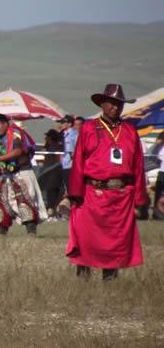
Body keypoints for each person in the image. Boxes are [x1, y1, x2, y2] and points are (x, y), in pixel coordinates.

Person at [66, 84, 147, 281]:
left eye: (119, 104)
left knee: (115, 240)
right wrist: (75, 194)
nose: (115, 107)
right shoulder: (88, 128)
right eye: (111, 103)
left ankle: (110, 280)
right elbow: (78, 162)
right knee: (86, 237)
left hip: (120, 195)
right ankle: (83, 279)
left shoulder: (129, 131)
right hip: (92, 193)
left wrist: (139, 199)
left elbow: (138, 166)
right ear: (102, 103)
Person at [0, 114, 48, 235]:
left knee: (26, 200)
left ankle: (31, 229)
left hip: (22, 172)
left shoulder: (15, 133)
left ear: (6, 124)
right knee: (4, 201)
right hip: (7, 174)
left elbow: (18, 151)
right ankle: (2, 229)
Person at [39, 129, 64, 221]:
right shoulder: (51, 146)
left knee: (51, 192)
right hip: (52, 171)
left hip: (52, 171)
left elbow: (58, 159)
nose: (45, 138)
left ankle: (51, 211)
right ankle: (52, 210)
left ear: (50, 138)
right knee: (53, 192)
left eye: (47, 137)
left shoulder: (54, 147)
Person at [58, 115, 78, 191]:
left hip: (70, 166)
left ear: (69, 124)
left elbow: (73, 152)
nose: (61, 124)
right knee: (66, 187)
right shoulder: (64, 134)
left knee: (70, 188)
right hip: (65, 164)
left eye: (63, 122)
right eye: (61, 122)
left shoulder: (73, 134)